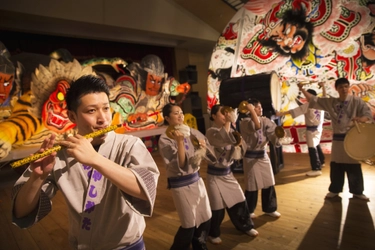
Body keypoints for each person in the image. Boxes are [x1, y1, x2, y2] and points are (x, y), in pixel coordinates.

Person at [11, 75, 160, 249]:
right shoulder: (60, 155)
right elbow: (21, 211)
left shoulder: (129, 144)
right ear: (72, 116)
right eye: (91, 111)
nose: (103, 118)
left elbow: (146, 190)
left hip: (128, 246)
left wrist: (96, 159)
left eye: (106, 108)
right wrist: (36, 178)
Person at [299, 77, 373, 200]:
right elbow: (313, 100)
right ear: (337, 89)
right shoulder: (331, 102)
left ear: (348, 87)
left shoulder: (356, 101)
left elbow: (367, 115)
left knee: (353, 165)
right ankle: (335, 190)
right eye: (341, 87)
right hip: (338, 140)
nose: (344, 89)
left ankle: (357, 191)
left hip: (352, 138)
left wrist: (361, 119)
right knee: (336, 165)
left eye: (346, 86)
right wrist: (301, 89)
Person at [158, 103, 216, 250]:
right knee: (189, 223)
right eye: (176, 113)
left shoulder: (193, 132)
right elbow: (181, 165)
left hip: (197, 181)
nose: (180, 115)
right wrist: (180, 142)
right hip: (181, 186)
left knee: (205, 217)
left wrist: (204, 147)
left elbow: (211, 156)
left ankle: (200, 246)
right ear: (167, 118)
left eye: (181, 112)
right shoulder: (165, 139)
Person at [205, 105, 258, 245]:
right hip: (214, 176)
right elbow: (222, 140)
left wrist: (239, 145)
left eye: (227, 113)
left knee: (239, 200)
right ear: (214, 116)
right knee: (217, 206)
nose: (225, 116)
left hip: (228, 174)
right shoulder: (211, 132)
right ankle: (213, 233)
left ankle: (246, 226)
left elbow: (241, 147)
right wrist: (229, 122)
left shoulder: (232, 130)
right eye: (222, 114)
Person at [239, 98, 281, 219]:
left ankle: (270, 208)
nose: (260, 109)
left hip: (263, 155)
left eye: (260, 106)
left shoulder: (265, 120)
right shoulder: (245, 122)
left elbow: (273, 131)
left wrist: (278, 136)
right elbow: (256, 126)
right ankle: (250, 210)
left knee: (269, 182)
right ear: (249, 109)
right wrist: (251, 110)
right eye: (256, 107)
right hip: (251, 158)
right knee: (252, 185)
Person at [276, 82, 326, 176]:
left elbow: (293, 111)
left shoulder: (308, 105)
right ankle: (322, 161)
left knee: (312, 148)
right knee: (316, 144)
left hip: (312, 130)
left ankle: (316, 168)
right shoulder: (321, 103)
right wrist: (323, 86)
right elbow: (324, 96)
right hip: (319, 128)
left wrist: (280, 114)